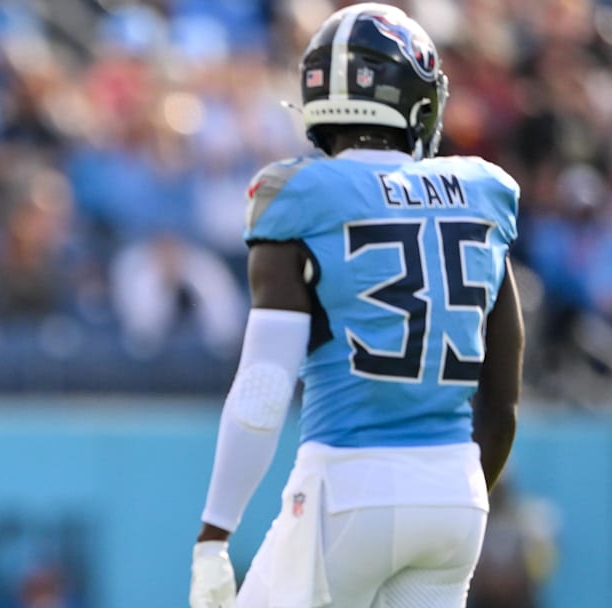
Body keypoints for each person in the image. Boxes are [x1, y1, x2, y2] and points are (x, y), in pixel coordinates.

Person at [188, 4, 524, 607]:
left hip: (347, 482)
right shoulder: (482, 193)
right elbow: (501, 405)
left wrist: (214, 536)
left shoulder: (303, 195)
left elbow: (265, 387)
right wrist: (447, 490)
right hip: (456, 497)